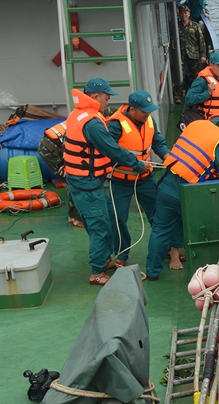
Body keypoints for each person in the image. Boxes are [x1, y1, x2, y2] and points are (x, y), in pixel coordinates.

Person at [144, 111, 219, 280]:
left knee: (160, 230)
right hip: (184, 192)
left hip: (165, 184)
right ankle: (202, 272)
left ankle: (152, 272)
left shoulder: (198, 124)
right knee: (202, 229)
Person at [63, 78, 145, 286]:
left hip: (87, 182)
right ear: (94, 97)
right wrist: (137, 164)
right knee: (99, 227)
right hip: (86, 185)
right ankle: (97, 273)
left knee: (107, 220)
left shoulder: (78, 114)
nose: (109, 100)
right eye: (106, 96)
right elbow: (111, 149)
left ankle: (105, 259)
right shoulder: (91, 123)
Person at [105, 90, 176, 267]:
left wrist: (168, 157)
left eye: (149, 110)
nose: (148, 114)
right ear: (132, 109)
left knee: (158, 214)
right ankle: (122, 253)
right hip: (120, 181)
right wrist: (136, 164)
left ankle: (164, 247)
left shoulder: (150, 120)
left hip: (145, 179)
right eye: (144, 111)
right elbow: (111, 151)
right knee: (118, 218)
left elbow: (158, 143)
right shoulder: (115, 124)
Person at [37, 120, 83, 228]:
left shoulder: (82, 117)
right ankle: (75, 219)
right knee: (72, 181)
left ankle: (76, 215)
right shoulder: (86, 122)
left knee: (72, 180)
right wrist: (67, 164)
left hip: (53, 146)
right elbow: (70, 143)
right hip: (50, 149)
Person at [185, 50, 219, 121]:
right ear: (211, 65)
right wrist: (207, 93)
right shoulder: (202, 80)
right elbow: (188, 99)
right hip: (208, 121)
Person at [174, 5, 207, 104]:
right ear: (179, 14)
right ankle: (178, 96)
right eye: (182, 13)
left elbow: (201, 41)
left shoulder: (195, 26)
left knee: (197, 77)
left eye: (185, 13)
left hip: (194, 56)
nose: (184, 15)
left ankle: (197, 95)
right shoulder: (176, 26)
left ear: (189, 14)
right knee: (180, 76)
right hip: (181, 56)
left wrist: (203, 55)